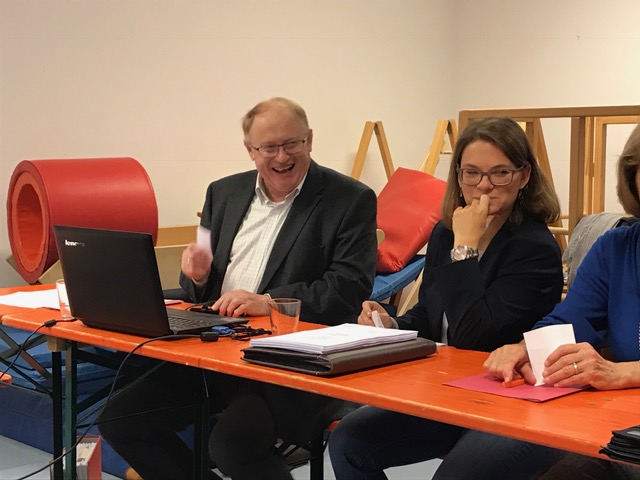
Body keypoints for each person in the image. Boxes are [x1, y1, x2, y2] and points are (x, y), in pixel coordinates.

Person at [98, 97, 378, 480]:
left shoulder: (350, 199)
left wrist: (268, 303)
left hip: (289, 363)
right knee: (120, 420)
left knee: (232, 445)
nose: (282, 157)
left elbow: (349, 287)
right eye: (269, 147)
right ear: (250, 150)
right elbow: (196, 290)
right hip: (214, 350)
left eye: (292, 143)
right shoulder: (222, 193)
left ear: (310, 140)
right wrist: (196, 275)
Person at [328, 116, 566, 480]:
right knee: (347, 441)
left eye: (500, 173)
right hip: (448, 391)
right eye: (472, 173)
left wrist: (465, 248)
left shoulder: (534, 247)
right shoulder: (445, 232)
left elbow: (473, 336)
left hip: (508, 399)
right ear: (458, 176)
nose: (484, 186)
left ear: (524, 176)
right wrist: (392, 324)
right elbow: (433, 315)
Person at [481, 123, 640, 480]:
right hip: (622, 432)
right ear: (633, 177)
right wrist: (527, 349)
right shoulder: (616, 248)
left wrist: (622, 372)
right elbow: (568, 320)